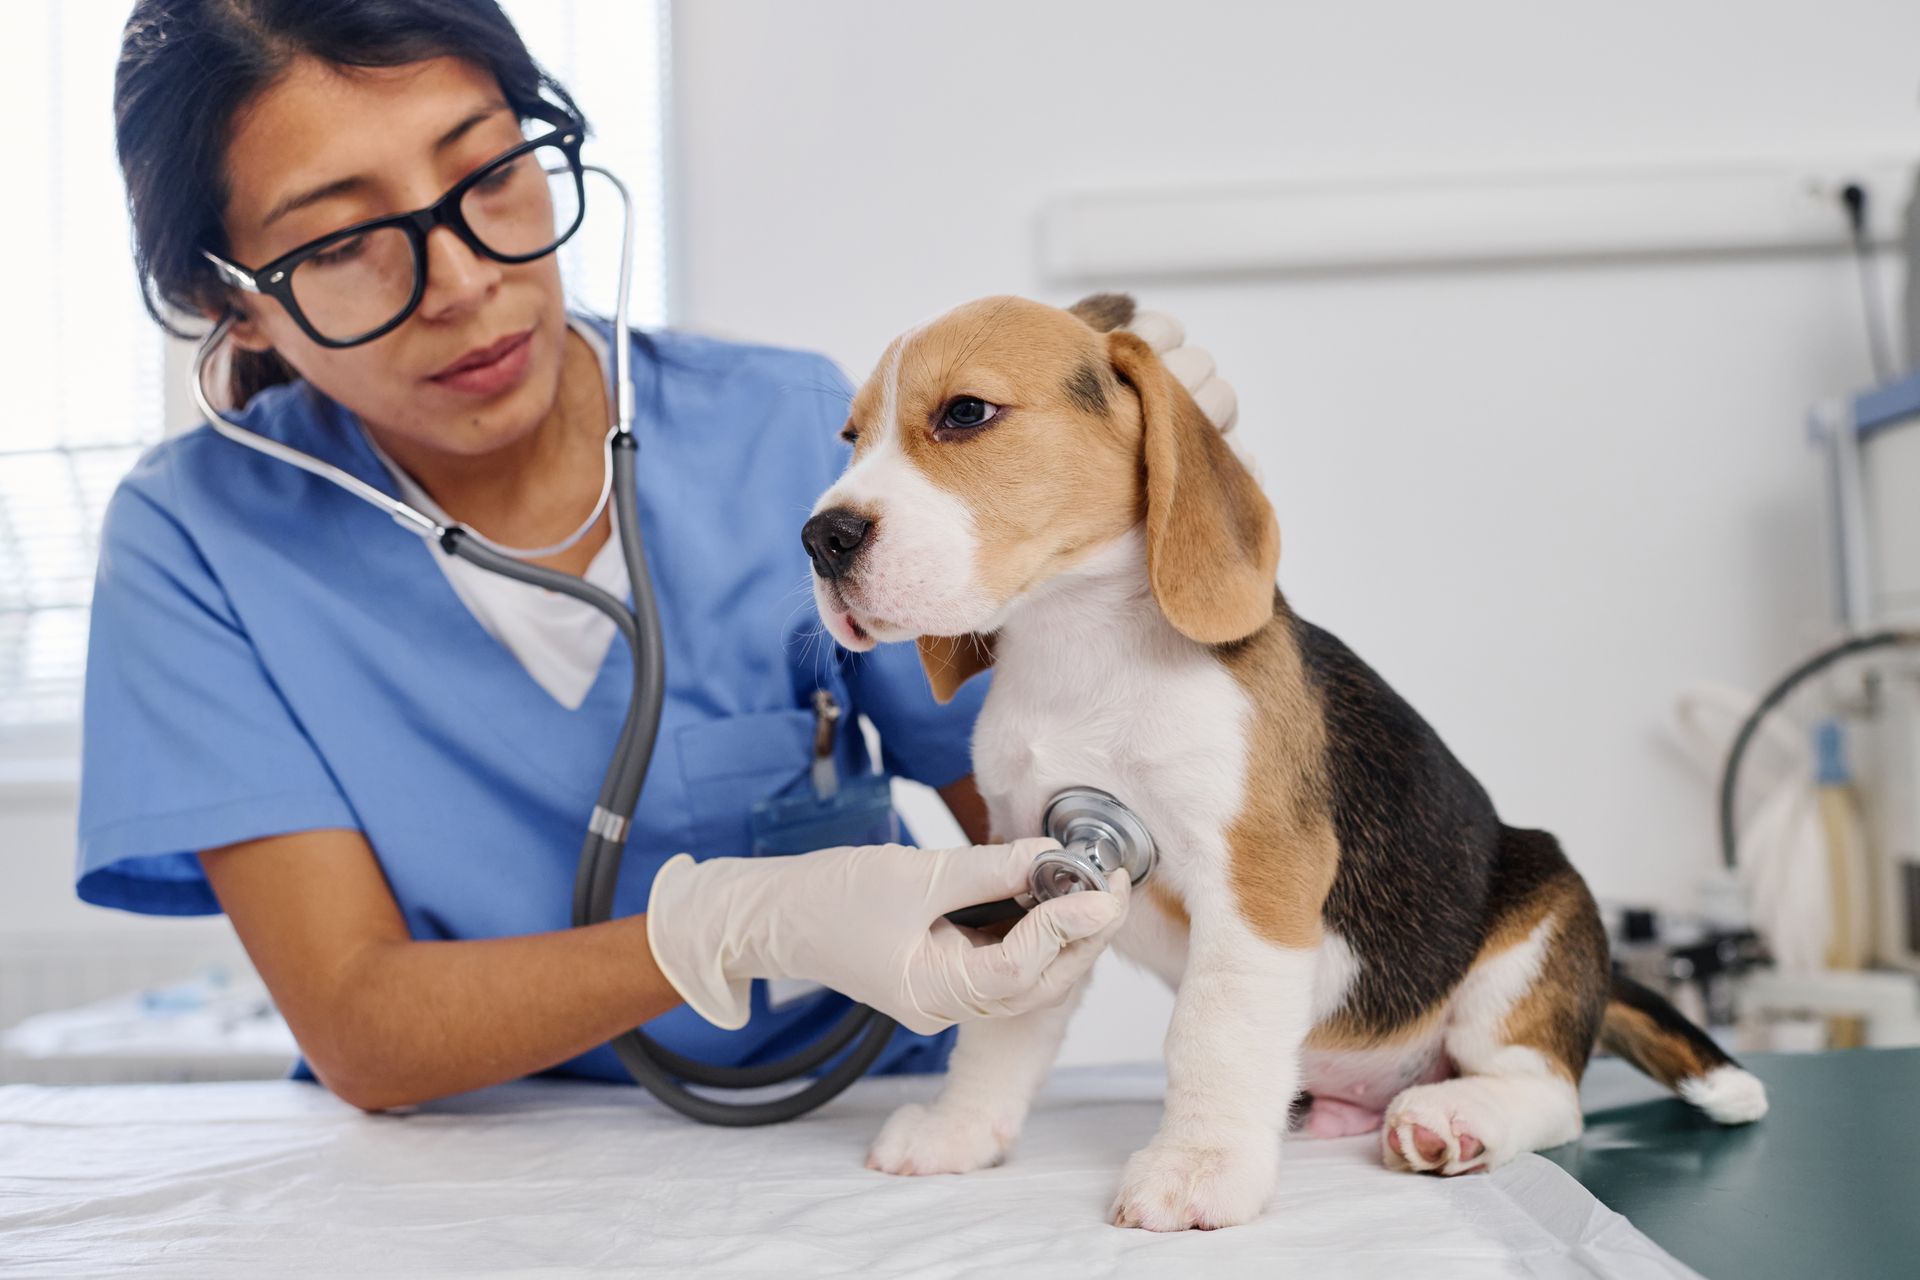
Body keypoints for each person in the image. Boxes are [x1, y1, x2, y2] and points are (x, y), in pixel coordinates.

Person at [81, 0, 1229, 1113]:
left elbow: (1050, 818)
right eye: (342, 241)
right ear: (228, 305)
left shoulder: (791, 432)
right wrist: (723, 927)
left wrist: (1130, 527)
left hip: (850, 1137)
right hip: (448, 1182)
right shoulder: (195, 540)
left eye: (488, 175)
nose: (467, 281)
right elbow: (361, 1025)